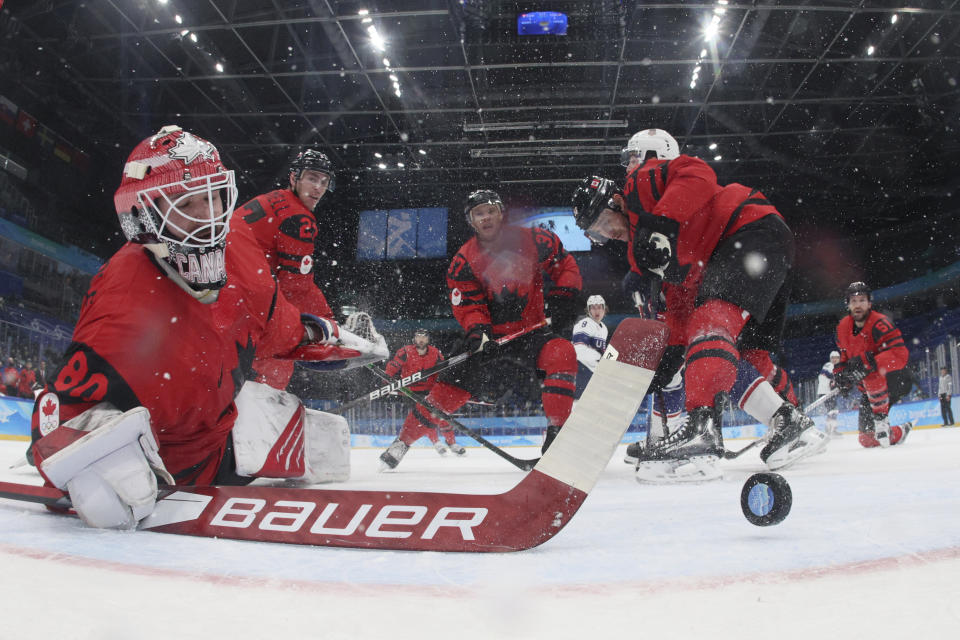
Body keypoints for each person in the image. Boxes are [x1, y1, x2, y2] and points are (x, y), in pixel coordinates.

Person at [28, 125, 386, 530]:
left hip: (219, 437)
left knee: (327, 447)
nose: (210, 214)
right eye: (189, 201)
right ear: (144, 213)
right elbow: (58, 413)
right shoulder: (124, 291)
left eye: (215, 195)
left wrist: (323, 336)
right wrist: (87, 446)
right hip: (170, 457)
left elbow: (275, 319)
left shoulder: (237, 244)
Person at [572, 129, 826, 480]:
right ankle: (789, 423)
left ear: (614, 201)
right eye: (596, 235)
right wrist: (669, 356)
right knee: (738, 355)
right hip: (757, 248)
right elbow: (679, 311)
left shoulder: (639, 189)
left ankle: (701, 432)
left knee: (708, 326)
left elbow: (698, 173)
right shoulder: (644, 254)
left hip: (747, 233)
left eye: (602, 223)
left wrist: (660, 224)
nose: (606, 235)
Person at [381, 189, 581, 464]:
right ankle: (402, 443)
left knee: (563, 352)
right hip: (489, 340)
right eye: (479, 213)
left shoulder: (534, 239)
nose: (486, 217)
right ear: (471, 221)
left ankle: (558, 436)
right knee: (447, 393)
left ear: (501, 213)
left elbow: (564, 264)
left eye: (490, 210)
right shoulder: (464, 260)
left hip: (532, 332)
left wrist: (564, 296)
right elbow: (469, 306)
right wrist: (479, 332)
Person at [233, 149, 336, 390]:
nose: (318, 188)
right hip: (243, 298)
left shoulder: (273, 199)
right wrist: (329, 323)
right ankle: (258, 415)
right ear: (294, 178)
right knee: (277, 357)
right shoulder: (299, 218)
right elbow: (295, 287)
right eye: (312, 178)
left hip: (218, 288)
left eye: (324, 181)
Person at [833, 282, 913, 447]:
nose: (858, 305)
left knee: (869, 371)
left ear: (869, 303)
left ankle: (881, 419)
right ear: (848, 305)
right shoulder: (842, 327)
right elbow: (845, 354)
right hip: (869, 388)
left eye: (862, 300)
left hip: (895, 379)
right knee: (867, 439)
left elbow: (900, 354)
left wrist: (869, 362)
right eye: (853, 301)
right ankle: (900, 432)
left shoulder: (880, 323)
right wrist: (841, 372)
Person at [379, 328, 466, 469]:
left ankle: (452, 443)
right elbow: (393, 366)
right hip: (410, 392)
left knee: (440, 417)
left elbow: (443, 370)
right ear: (414, 338)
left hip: (430, 391)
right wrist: (386, 383)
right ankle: (436, 442)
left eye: (423, 337)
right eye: (418, 336)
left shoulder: (435, 353)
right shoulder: (405, 351)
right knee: (423, 419)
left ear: (428, 339)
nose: (420, 340)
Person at [572, 295, 609, 398]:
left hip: (593, 370)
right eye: (593, 307)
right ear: (588, 310)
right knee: (579, 401)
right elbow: (578, 350)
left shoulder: (603, 328)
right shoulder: (585, 324)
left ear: (604, 309)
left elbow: (599, 350)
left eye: (599, 307)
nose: (597, 311)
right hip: (581, 368)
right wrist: (598, 360)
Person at [817, 351, 842, 436]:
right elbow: (828, 375)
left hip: (830, 393)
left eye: (837, 357)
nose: (835, 359)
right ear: (830, 359)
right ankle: (829, 430)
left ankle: (832, 429)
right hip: (825, 392)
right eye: (833, 357)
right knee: (831, 411)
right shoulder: (828, 365)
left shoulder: (835, 367)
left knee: (834, 411)